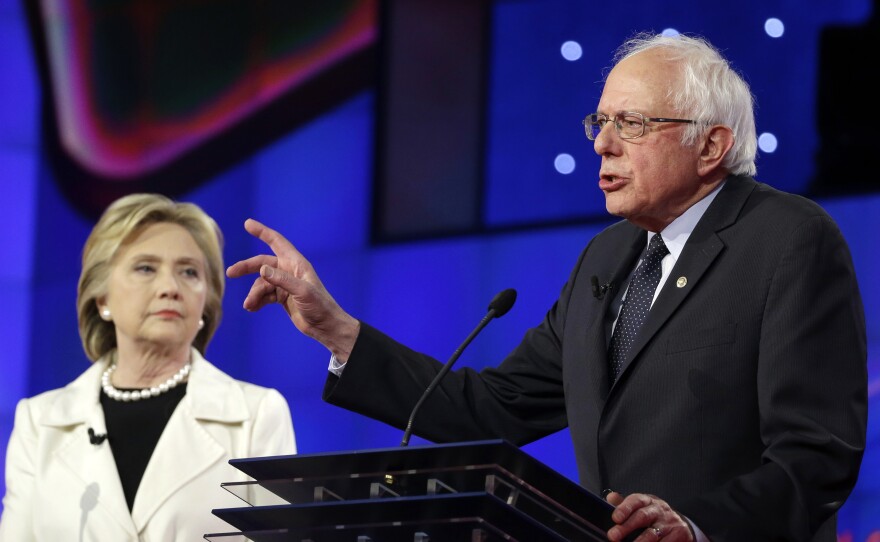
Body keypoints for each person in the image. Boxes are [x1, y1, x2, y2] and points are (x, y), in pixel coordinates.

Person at [225, 32, 867, 542]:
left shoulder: (787, 240)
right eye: (601, 122)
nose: (604, 145)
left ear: (711, 147)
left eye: (633, 124)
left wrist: (696, 525)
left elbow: (815, 457)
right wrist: (337, 329)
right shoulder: (606, 259)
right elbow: (493, 408)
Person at [0, 193, 296, 541]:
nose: (170, 287)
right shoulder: (40, 421)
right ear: (102, 298)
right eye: (146, 268)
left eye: (189, 272)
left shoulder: (256, 415)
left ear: (206, 301)